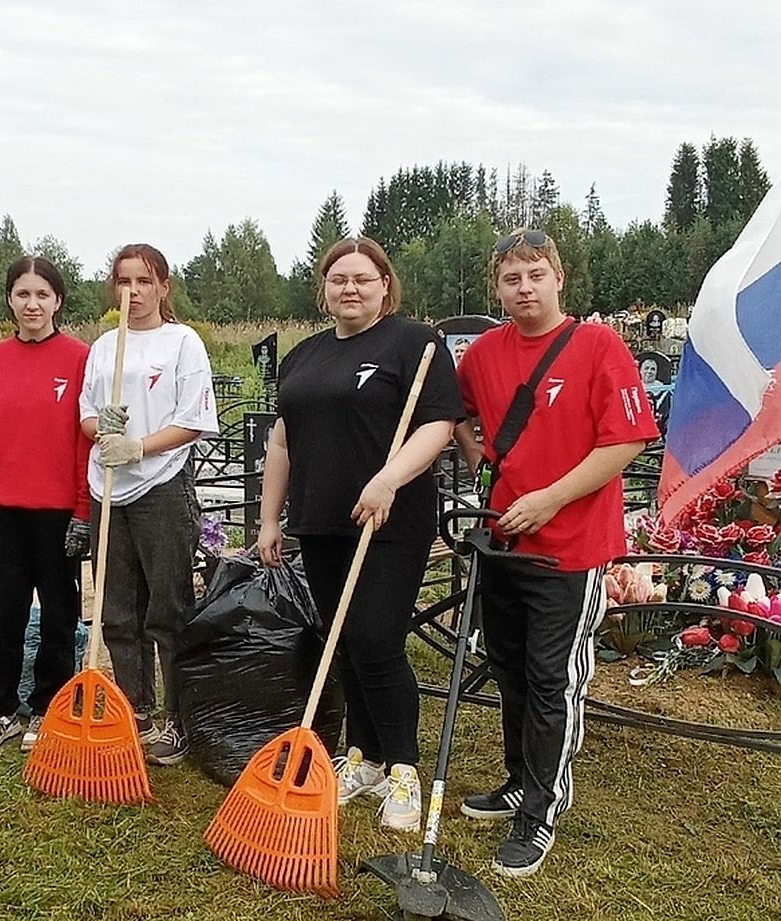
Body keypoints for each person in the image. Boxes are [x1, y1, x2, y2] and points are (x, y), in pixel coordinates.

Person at [453, 228, 658, 877]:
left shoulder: (599, 346)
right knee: (508, 666)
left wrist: (550, 497)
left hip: (570, 547)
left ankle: (542, 807)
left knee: (551, 678)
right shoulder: (483, 353)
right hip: (504, 542)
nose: (524, 287)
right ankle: (519, 777)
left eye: (535, 274)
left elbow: (627, 441)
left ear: (558, 278)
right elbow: (453, 413)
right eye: (512, 279)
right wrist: (475, 457)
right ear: (498, 288)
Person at [257, 236, 463, 831]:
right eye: (339, 279)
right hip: (320, 520)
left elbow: (438, 427)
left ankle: (403, 769)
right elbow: (282, 441)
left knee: (375, 639)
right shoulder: (304, 356)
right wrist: (271, 518)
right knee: (341, 640)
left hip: (388, 521)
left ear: (384, 285)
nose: (350, 288)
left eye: (363, 278)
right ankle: (363, 758)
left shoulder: (414, 344)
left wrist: (387, 481)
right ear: (324, 289)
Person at [79, 243, 218, 767]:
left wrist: (139, 445)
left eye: (143, 281)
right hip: (108, 487)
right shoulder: (103, 347)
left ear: (163, 287)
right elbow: (87, 414)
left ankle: (178, 721)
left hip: (159, 482)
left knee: (168, 607)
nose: (132, 293)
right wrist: (102, 432)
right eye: (123, 281)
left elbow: (194, 419)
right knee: (116, 608)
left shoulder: (182, 343)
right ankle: (133, 708)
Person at [0, 255, 92, 754]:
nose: (32, 304)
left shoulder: (80, 358)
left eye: (42, 294)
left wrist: (82, 510)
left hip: (58, 511)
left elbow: (85, 440)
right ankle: (0, 708)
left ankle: (47, 706)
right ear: (10, 300)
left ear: (58, 300)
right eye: (22, 294)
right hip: (0, 511)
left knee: (59, 614)